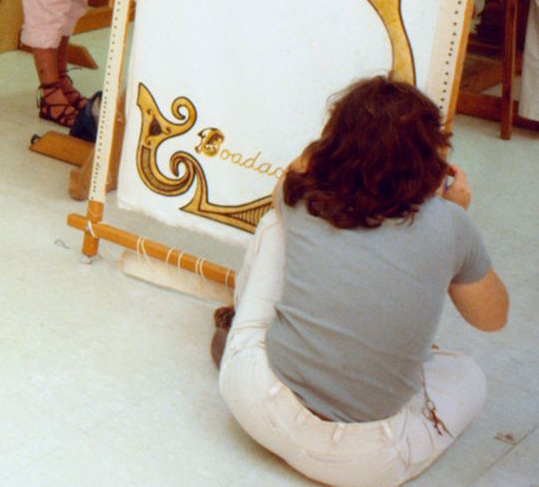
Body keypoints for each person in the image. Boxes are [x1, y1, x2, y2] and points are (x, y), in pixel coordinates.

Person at [216, 76, 508, 487]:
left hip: (252, 403)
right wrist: (456, 221)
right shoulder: (450, 224)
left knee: (275, 224)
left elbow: (300, 166)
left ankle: (243, 327)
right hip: (361, 464)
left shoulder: (302, 193)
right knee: (468, 375)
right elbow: (491, 318)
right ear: (432, 157)